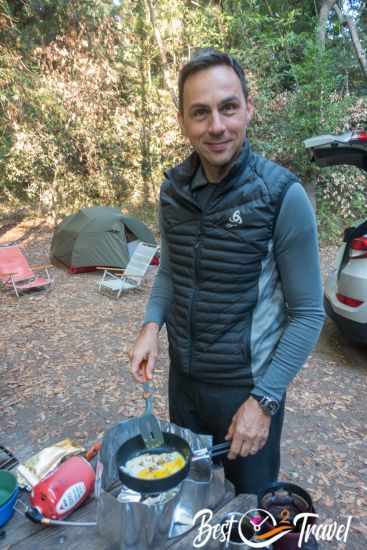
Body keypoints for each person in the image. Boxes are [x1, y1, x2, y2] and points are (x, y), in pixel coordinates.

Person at [129, 48, 325, 495]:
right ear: (182, 120)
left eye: (228, 107)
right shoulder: (172, 192)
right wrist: (150, 325)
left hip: (248, 389)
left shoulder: (282, 196)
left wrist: (266, 400)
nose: (216, 126)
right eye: (200, 113)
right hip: (185, 385)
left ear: (248, 109)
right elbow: (171, 271)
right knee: (193, 495)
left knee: (250, 511)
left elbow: (309, 313)